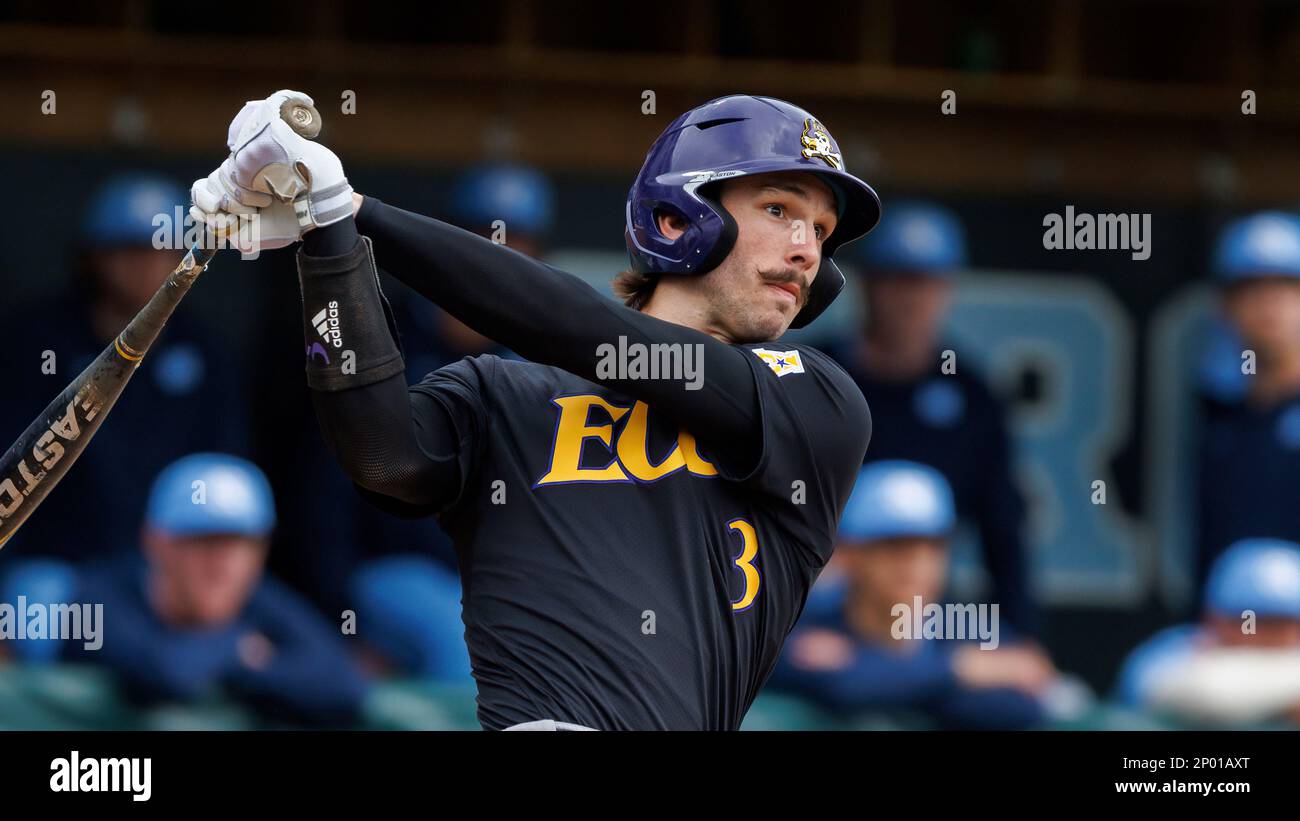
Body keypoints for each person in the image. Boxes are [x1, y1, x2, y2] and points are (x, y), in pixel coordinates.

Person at [191, 90, 878, 730]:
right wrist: (328, 243)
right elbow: (382, 457)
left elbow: (593, 334)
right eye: (781, 210)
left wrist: (350, 209)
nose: (805, 249)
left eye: (821, 230)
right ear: (677, 215)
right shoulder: (503, 392)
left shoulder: (814, 399)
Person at [0, 174, 248, 569]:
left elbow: (226, 468)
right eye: (129, 249)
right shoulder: (37, 340)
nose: (147, 263)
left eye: (161, 247)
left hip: (168, 565)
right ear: (94, 257)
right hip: (60, 560)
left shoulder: (203, 350)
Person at [832, 200, 1038, 637]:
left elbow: (1003, 532)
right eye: (898, 281)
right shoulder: (814, 376)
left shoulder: (972, 396)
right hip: (809, 600)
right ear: (868, 285)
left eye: (927, 283)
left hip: (921, 614)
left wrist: (1021, 637)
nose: (912, 299)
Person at [71, 453, 369, 726]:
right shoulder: (99, 597)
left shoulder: (257, 596)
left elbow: (346, 687)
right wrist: (241, 648)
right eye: (205, 542)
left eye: (240, 544)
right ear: (157, 541)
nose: (223, 564)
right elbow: (168, 673)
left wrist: (239, 668)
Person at [770, 461, 1053, 729]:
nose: (915, 565)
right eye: (894, 547)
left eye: (931, 547)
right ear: (849, 554)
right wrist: (962, 668)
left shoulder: (969, 627)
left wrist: (870, 671)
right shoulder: (804, 622)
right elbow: (844, 688)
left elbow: (1021, 706)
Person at [1195, 212, 1300, 595]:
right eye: (1253, 289)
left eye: (1286, 287)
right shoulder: (1218, 419)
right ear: (1225, 306)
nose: (1270, 305)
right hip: (1229, 631)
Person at [1115, 538, 1300, 727]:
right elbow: (1194, 692)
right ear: (1214, 619)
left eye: (1280, 624)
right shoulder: (1172, 653)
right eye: (1250, 620)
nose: (1261, 634)